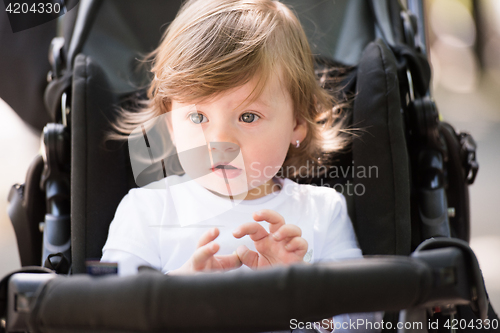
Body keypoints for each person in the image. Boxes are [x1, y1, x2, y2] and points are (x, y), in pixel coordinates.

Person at [101, 0, 382, 331]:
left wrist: (305, 295)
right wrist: (174, 295)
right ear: (171, 127)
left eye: (248, 116)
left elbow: (366, 323)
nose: (221, 140)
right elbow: (107, 315)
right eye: (197, 116)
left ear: (297, 123)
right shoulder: (146, 211)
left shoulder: (322, 212)